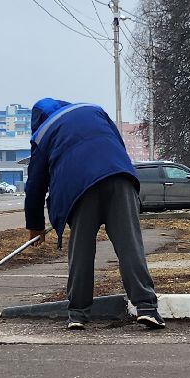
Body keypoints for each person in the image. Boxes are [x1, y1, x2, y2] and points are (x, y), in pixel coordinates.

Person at [23, 97, 162, 331]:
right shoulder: (94, 110)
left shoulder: (43, 133)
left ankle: (77, 314)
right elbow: (117, 144)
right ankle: (147, 308)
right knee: (130, 246)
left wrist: (35, 226)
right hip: (119, 178)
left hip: (80, 191)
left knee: (81, 251)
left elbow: (35, 185)